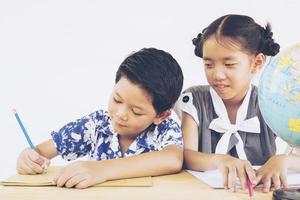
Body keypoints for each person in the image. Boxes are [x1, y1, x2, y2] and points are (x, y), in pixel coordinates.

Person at [16, 48, 184, 189]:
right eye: (117, 100)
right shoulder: (96, 124)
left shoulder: (164, 129)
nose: (120, 114)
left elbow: (172, 159)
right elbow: (41, 151)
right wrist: (29, 158)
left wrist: (102, 170)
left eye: (136, 111)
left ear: (161, 115)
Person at [176, 14, 297, 193]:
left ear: (256, 63)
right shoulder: (194, 100)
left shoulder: (271, 102)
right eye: (209, 65)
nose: (217, 74)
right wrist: (219, 160)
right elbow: (187, 155)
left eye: (229, 64)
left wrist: (284, 160)